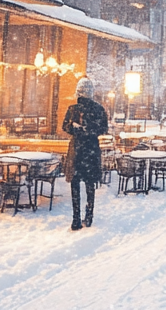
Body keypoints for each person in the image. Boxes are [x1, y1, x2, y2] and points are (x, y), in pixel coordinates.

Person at [62, 76, 109, 230]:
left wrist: (76, 129)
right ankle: (88, 216)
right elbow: (103, 128)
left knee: (75, 186)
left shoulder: (72, 109)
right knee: (90, 185)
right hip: (90, 151)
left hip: (77, 151)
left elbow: (65, 127)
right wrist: (90, 131)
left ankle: (76, 218)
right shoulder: (98, 109)